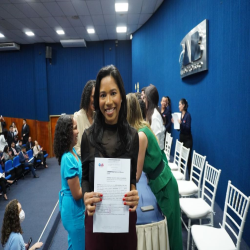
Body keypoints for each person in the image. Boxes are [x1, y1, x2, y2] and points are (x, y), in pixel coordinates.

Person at [81, 65, 139, 250]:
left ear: (121, 95)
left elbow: (131, 179)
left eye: (113, 93)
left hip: (124, 219)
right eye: (102, 95)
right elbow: (85, 178)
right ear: (97, 100)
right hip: (96, 219)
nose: (108, 101)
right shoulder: (88, 137)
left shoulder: (132, 136)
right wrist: (86, 196)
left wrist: (133, 193)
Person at [126, 93, 183, 250]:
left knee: (173, 234)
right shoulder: (143, 126)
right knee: (171, 231)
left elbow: (136, 176)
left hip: (164, 185)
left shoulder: (140, 134)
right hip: (162, 181)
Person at [54, 115, 85, 250]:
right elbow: (77, 193)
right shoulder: (68, 158)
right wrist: (92, 183)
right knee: (80, 245)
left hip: (74, 208)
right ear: (67, 133)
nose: (77, 132)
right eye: (74, 128)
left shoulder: (72, 152)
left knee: (74, 244)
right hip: (74, 210)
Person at [144, 84, 167, 162]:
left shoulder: (155, 116)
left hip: (157, 159)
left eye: (144, 98)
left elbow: (156, 143)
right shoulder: (152, 114)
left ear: (148, 100)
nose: (143, 101)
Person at [73, 80, 96, 158]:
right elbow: (76, 148)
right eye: (93, 96)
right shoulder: (77, 117)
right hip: (83, 164)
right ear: (87, 97)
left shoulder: (99, 117)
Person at [172, 98, 193, 175]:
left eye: (180, 104)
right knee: (180, 157)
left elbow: (187, 128)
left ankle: (190, 177)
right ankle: (180, 174)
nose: (178, 106)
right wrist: (175, 123)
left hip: (188, 139)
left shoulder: (188, 115)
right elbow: (179, 129)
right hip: (181, 138)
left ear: (183, 105)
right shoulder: (180, 115)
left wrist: (181, 123)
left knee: (187, 158)